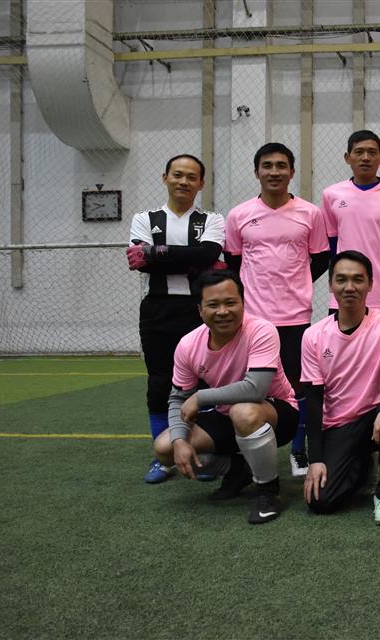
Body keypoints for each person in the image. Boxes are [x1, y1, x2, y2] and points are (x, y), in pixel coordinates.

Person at [152, 270, 298, 524]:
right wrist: (179, 440)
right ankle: (237, 469)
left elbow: (256, 389)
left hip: (277, 413)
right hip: (226, 414)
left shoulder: (262, 330)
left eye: (230, 302)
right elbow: (178, 399)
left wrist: (201, 397)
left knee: (243, 411)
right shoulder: (188, 345)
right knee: (165, 448)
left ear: (242, 303)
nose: (223, 311)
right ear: (200, 310)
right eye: (213, 305)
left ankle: (268, 490)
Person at [224, 142, 330, 478]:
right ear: (257, 172)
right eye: (267, 166)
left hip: (295, 317)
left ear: (292, 171)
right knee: (249, 387)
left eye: (281, 165)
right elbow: (233, 262)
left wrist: (296, 283)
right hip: (253, 321)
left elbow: (321, 258)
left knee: (298, 387)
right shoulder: (239, 215)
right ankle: (244, 456)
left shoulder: (310, 214)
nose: (274, 172)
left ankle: (298, 451)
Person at [127, 154, 225, 483]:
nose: (184, 181)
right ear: (165, 177)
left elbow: (208, 254)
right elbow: (139, 260)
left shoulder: (211, 220)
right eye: (178, 175)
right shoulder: (144, 218)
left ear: (201, 183)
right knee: (160, 382)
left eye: (191, 177)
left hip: (200, 311)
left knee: (206, 380)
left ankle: (207, 453)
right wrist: (190, 259)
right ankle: (164, 457)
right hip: (157, 309)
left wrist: (155, 253)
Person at [301, 251, 380, 525]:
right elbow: (313, 401)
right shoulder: (313, 335)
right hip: (338, 426)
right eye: (341, 279)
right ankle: (362, 466)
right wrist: (315, 460)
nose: (349, 287)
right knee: (321, 502)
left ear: (370, 284)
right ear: (330, 285)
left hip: (377, 418)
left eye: (357, 279)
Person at [321, 130, 380, 323]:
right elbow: (331, 241)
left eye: (372, 152)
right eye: (359, 152)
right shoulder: (331, 194)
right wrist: (348, 270)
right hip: (344, 295)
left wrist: (379, 267)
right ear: (347, 158)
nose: (365, 158)